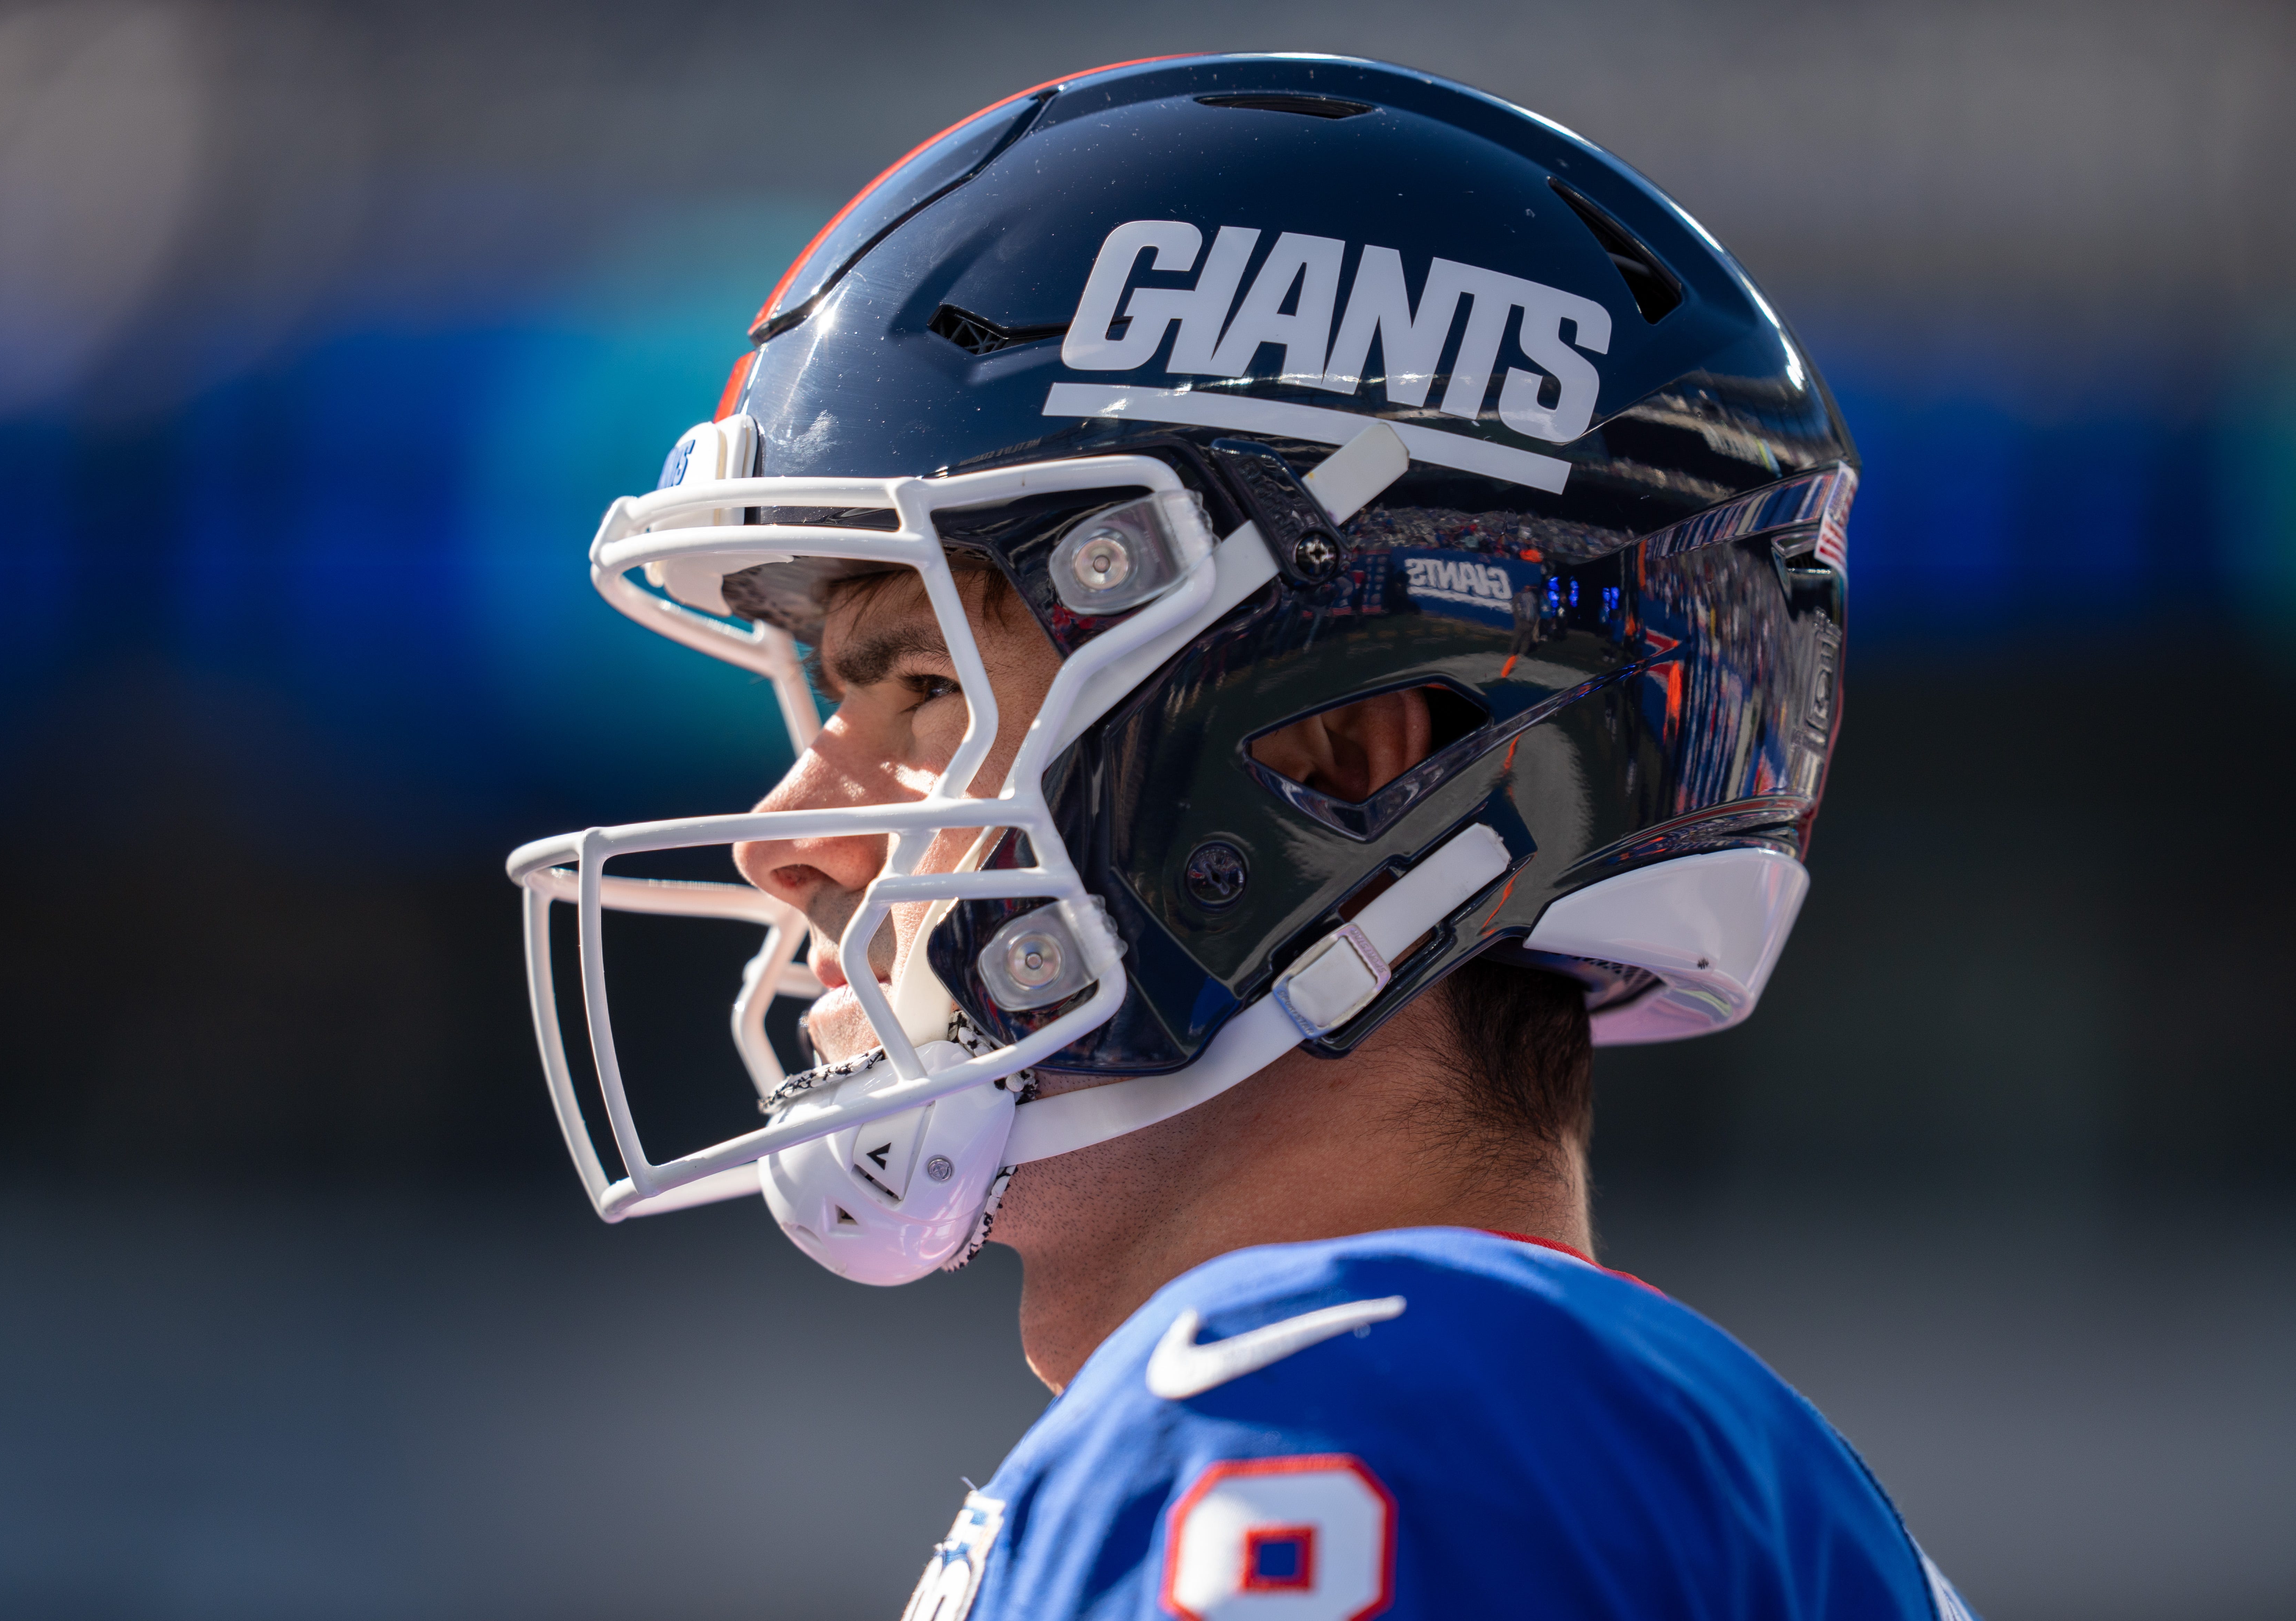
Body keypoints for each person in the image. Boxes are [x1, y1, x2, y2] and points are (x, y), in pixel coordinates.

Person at [506, 54, 1971, 1620]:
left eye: (928, 690)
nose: (787, 845)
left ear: (1337, 755)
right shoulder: (1608, 1453)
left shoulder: (1336, 1418)